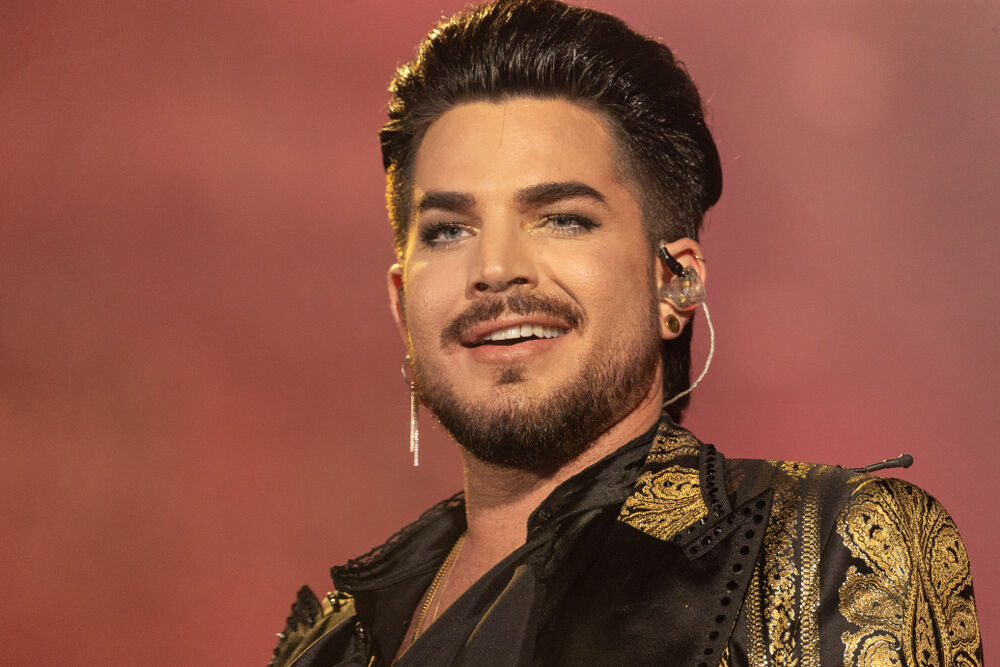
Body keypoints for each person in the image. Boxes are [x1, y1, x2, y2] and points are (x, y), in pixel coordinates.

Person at [269, 1, 982, 665]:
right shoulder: (329, 639)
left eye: (563, 218)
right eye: (448, 230)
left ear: (676, 283)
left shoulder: (829, 550)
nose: (494, 268)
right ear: (402, 303)